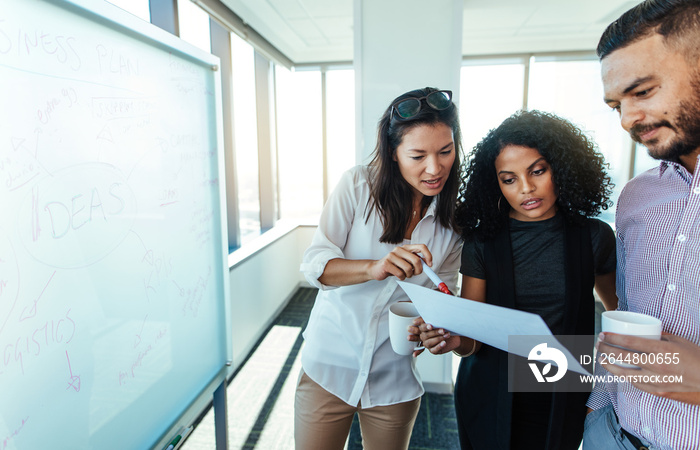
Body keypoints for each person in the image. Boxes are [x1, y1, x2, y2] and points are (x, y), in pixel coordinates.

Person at [411, 110, 618, 450]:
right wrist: (453, 341)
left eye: (538, 171)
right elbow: (472, 340)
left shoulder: (593, 236)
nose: (526, 188)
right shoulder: (482, 242)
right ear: (496, 184)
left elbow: (617, 317)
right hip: (491, 389)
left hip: (561, 389)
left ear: (561, 168)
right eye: (509, 179)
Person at [295, 87, 464, 450]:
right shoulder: (357, 186)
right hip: (329, 366)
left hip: (394, 379)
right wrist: (374, 267)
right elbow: (315, 265)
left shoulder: (454, 224)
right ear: (394, 154)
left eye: (445, 151)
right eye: (418, 155)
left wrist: (430, 328)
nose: (435, 168)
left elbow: (441, 295)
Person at [583, 1, 700, 448]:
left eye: (643, 92)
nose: (628, 119)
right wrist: (596, 410)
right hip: (612, 433)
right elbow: (625, 312)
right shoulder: (636, 197)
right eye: (616, 105)